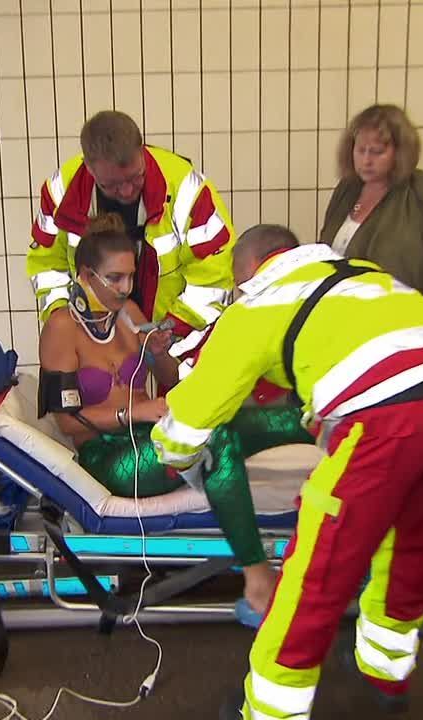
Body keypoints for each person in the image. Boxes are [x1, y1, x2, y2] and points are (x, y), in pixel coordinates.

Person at [150, 225, 423, 718]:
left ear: (249, 271)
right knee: (412, 552)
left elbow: (193, 414)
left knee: (316, 574)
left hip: (390, 421)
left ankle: (268, 710)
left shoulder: (260, 303)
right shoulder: (366, 277)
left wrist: (172, 457)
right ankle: (386, 678)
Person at [38, 213, 313, 616]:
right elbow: (67, 421)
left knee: (232, 419)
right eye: (114, 278)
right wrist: (139, 409)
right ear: (85, 276)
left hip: (152, 433)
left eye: (130, 277)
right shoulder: (61, 326)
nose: (125, 288)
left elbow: (168, 381)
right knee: (215, 441)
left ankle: (337, 427)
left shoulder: (128, 311)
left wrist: (160, 353)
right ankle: (256, 571)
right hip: (108, 459)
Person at [27, 110, 236, 374]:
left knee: (174, 401)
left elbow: (214, 276)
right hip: (93, 328)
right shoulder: (60, 190)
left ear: (143, 151)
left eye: (136, 177)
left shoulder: (186, 188)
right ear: (89, 168)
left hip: (175, 331)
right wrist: (66, 319)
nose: (126, 191)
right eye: (111, 185)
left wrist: (171, 330)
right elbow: (46, 265)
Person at [317, 104, 423, 319]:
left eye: (377, 152)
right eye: (360, 150)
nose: (366, 160)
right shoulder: (347, 188)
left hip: (404, 320)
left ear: (400, 152)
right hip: (348, 318)